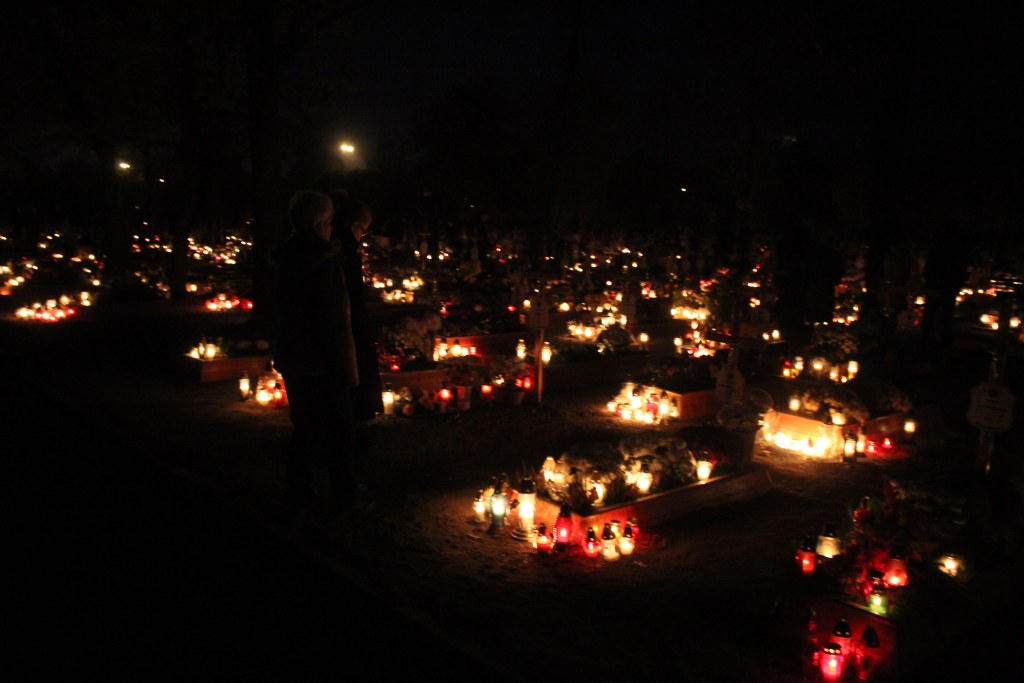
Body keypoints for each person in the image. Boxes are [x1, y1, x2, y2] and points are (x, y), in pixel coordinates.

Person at [271, 190, 359, 521]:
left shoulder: (288, 261)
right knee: (341, 431)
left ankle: (299, 492)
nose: (332, 227)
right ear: (318, 223)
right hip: (323, 362)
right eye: (329, 220)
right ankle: (344, 497)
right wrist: (345, 370)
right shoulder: (324, 265)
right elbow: (334, 322)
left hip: (295, 358)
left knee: (305, 428)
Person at [329, 189, 383, 485]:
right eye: (364, 229)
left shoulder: (337, 247)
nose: (364, 236)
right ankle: (346, 477)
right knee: (351, 406)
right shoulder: (344, 251)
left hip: (345, 332)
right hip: (348, 334)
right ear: (353, 226)